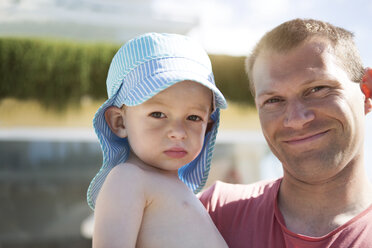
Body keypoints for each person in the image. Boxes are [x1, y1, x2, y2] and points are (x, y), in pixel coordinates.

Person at [198, 18, 372, 247]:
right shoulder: (213, 213)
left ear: (366, 90)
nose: (297, 119)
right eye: (274, 100)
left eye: (317, 89)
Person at [86, 33, 228, 248]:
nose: (178, 132)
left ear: (208, 125)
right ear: (119, 122)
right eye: (158, 114)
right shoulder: (127, 179)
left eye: (193, 117)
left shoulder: (180, 190)